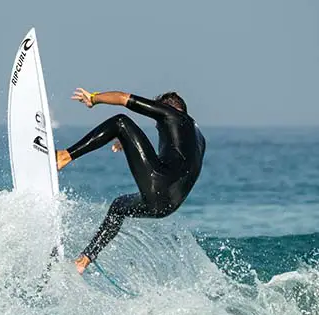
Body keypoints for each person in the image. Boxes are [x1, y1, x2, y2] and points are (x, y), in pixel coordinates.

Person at [56, 88, 206, 274]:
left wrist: (94, 99)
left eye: (158, 124)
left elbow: (123, 98)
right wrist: (128, 141)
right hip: (166, 206)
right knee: (119, 207)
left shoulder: (171, 114)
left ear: (167, 109)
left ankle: (64, 156)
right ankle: (83, 261)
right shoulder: (198, 139)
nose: (159, 128)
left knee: (120, 121)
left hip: (158, 186)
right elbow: (173, 165)